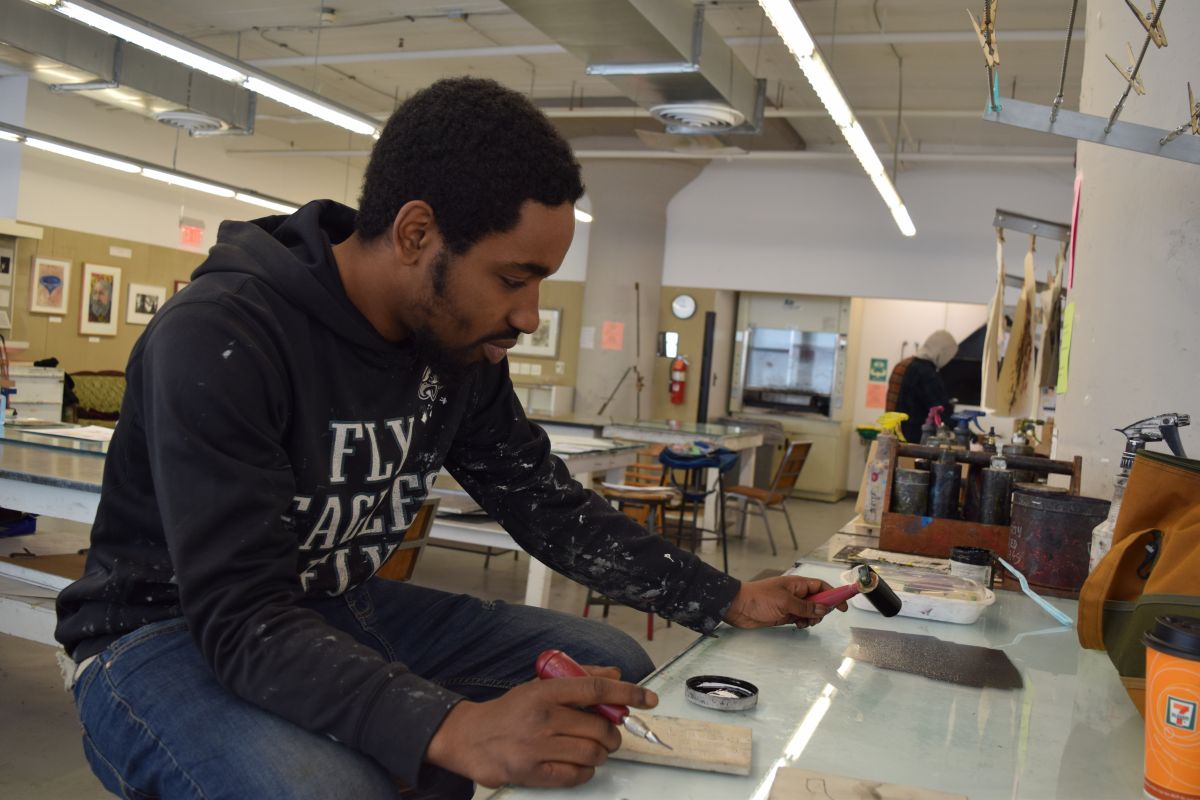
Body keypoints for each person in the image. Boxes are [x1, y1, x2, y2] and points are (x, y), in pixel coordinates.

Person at [55, 77, 844, 800]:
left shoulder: (456, 351)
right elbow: (242, 616)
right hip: (164, 630)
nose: (531, 314)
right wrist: (450, 727)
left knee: (613, 671)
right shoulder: (225, 335)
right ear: (415, 234)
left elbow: (545, 504)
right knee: (328, 791)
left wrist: (726, 597)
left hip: (328, 605)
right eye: (513, 278)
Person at [887, 329, 959, 442]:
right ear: (941, 352)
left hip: (892, 436)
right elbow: (942, 411)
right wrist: (967, 434)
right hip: (911, 442)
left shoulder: (903, 364)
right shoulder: (927, 373)